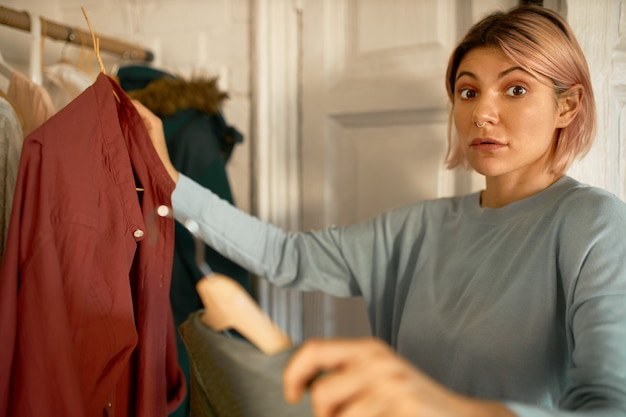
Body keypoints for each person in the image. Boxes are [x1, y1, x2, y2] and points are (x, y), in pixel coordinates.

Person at [133, 4, 626, 417]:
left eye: (515, 89)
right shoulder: (417, 228)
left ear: (568, 106)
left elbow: (609, 406)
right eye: (468, 91)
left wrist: (440, 405)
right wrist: (169, 182)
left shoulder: (594, 224)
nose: (482, 113)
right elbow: (286, 255)